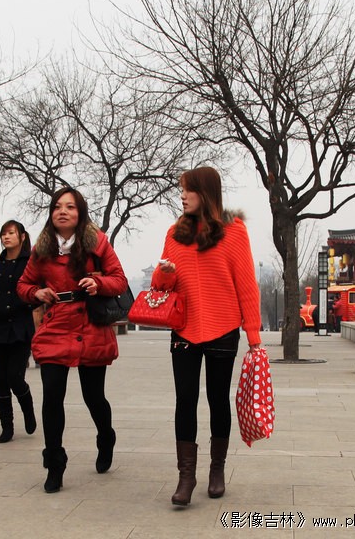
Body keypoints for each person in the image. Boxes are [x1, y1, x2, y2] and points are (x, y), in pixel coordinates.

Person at [152, 166, 262, 506]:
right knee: (185, 400)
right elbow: (161, 287)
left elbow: (246, 285)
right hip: (184, 328)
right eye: (182, 189)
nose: (182, 196)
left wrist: (254, 335)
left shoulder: (234, 231)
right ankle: (186, 476)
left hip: (223, 328)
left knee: (217, 399)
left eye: (188, 190)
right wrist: (164, 273)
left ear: (206, 192)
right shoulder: (175, 233)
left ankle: (217, 469)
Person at [17, 187, 128, 493]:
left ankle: (106, 436)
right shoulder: (41, 248)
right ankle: (55, 463)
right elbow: (24, 284)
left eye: (70, 207)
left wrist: (98, 282)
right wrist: (36, 292)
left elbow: (119, 280)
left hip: (91, 325)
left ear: (80, 213)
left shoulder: (97, 241)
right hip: (57, 326)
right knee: (52, 396)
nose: (62, 211)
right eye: (57, 207)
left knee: (94, 396)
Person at [0, 220, 37, 443]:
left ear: (22, 236)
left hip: (20, 326)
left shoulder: (30, 262)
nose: (6, 237)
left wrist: (18, 305)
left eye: (11, 233)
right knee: (1, 379)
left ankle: (28, 409)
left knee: (15, 376)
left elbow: (37, 292)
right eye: (4, 233)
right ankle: (7, 426)